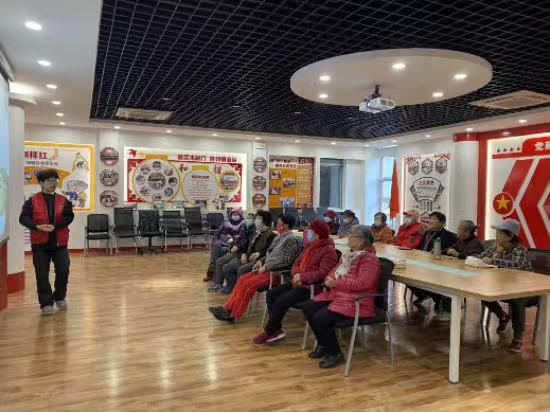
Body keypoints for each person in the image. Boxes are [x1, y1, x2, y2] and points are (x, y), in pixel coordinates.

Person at [301, 225, 381, 369]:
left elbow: (362, 283)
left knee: (321, 317)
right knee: (308, 307)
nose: (348, 238)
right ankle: (324, 344)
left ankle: (335, 353)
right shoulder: (349, 255)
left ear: (361, 240)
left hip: (358, 301)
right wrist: (329, 279)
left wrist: (336, 282)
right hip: (339, 295)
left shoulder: (369, 259)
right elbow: (334, 270)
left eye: (351, 236)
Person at [252, 219, 339, 346]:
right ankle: (276, 329)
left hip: (312, 287)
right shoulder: (309, 246)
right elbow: (296, 263)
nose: (307, 232)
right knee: (271, 293)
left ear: (317, 234)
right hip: (298, 281)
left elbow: (324, 272)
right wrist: (297, 274)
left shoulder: (328, 250)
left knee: (281, 300)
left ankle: (268, 331)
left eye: (310, 231)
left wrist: (302, 277)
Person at [209, 214, 301, 322]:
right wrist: (260, 261)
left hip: (277, 274)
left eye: (279, 223)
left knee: (249, 284)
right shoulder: (279, 237)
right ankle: (227, 308)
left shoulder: (291, 240)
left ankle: (232, 314)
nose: (276, 225)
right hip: (267, 270)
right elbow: (270, 255)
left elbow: (286, 262)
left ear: (285, 225)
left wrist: (266, 267)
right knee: (242, 279)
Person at [19, 169, 74, 315]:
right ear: (41, 183)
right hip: (40, 245)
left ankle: (59, 297)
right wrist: (37, 226)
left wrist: (55, 226)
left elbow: (69, 217)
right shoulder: (32, 201)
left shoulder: (64, 200)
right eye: (49, 180)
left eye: (55, 180)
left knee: (63, 271)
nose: (53, 183)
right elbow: (23, 218)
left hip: (60, 244)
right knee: (42, 274)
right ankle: (46, 303)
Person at [480, 220, 534, 353]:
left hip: (525, 290)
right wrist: (487, 257)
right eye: (496, 232)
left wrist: (494, 260)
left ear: (510, 236)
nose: (496, 236)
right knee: (483, 293)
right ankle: (502, 316)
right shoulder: (497, 246)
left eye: (500, 233)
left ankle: (518, 337)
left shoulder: (520, 250)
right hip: (503, 285)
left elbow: (516, 264)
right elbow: (482, 256)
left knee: (517, 300)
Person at [210, 210, 276, 293]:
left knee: (241, 269)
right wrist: (244, 254)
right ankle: (231, 287)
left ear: (265, 221)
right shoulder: (255, 232)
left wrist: (259, 253)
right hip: (246, 256)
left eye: (259, 218)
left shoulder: (271, 235)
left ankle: (239, 292)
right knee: (227, 267)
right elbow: (246, 244)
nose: (256, 220)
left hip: (257, 260)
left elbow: (270, 251)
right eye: (256, 218)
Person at [411, 212, 457, 318]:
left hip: (437, 267)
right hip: (421, 263)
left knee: (427, 279)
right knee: (406, 274)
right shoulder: (427, 233)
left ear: (442, 222)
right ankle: (423, 294)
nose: (430, 221)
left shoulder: (448, 235)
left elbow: (445, 252)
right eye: (430, 218)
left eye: (434, 219)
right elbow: (419, 248)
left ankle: (438, 299)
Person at [203, 208, 246, 281]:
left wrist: (234, 239)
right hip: (225, 241)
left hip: (237, 243)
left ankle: (217, 275)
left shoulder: (243, 223)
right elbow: (221, 233)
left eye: (237, 214)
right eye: (233, 214)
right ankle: (212, 272)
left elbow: (243, 237)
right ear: (230, 215)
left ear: (240, 215)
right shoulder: (226, 222)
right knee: (216, 246)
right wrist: (228, 238)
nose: (235, 216)